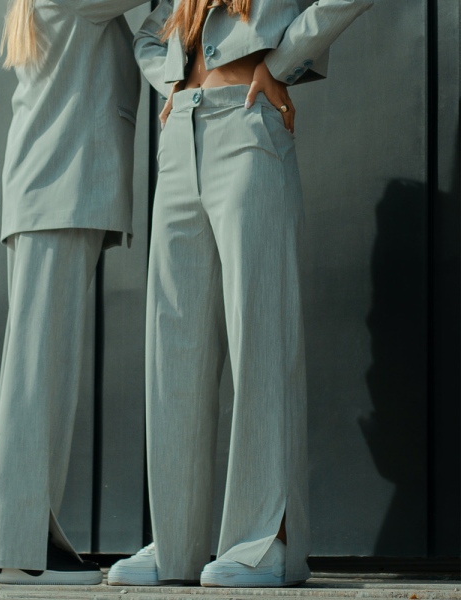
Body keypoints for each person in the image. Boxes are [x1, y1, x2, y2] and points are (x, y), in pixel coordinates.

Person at [108, 0, 373, 588]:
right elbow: (149, 35)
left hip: (247, 121)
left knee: (261, 335)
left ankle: (266, 540)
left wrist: (281, 63)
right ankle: (175, 545)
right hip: (180, 135)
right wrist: (172, 82)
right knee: (173, 348)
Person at [0, 0, 146, 585]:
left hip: (53, 189)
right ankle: (16, 549)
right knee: (38, 373)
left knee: (40, 370)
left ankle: (29, 536)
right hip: (60, 188)